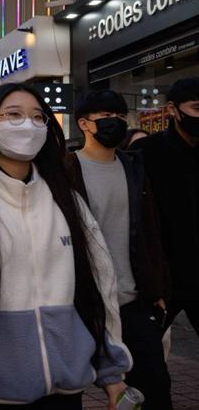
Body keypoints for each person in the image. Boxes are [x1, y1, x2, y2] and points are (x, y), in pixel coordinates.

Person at [0, 84, 131, 409]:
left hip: (66, 389)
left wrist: (112, 371)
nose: (27, 124)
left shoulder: (66, 200)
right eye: (13, 115)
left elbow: (101, 283)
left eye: (38, 117)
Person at [65, 90, 171, 409]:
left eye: (122, 116)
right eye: (108, 116)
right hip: (79, 303)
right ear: (84, 123)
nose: (117, 122)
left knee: (155, 389)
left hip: (132, 301)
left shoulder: (133, 167)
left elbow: (150, 230)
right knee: (67, 392)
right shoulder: (64, 169)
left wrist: (157, 288)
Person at [132, 77, 199, 337]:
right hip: (161, 278)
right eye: (196, 108)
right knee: (145, 361)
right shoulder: (147, 151)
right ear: (172, 109)